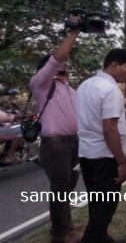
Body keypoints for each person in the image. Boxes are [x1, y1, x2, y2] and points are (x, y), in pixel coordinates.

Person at [76, 49, 126, 243]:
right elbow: (110, 130)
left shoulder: (85, 86)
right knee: (105, 207)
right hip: (106, 157)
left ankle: (103, 239)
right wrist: (121, 162)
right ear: (114, 65)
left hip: (87, 154)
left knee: (96, 203)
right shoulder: (110, 90)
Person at [29, 17, 81, 243]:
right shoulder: (40, 83)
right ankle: (60, 234)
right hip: (56, 143)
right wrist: (73, 33)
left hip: (74, 141)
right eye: (58, 66)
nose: (62, 67)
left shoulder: (68, 88)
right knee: (60, 188)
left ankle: (65, 224)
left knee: (69, 185)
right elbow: (57, 58)